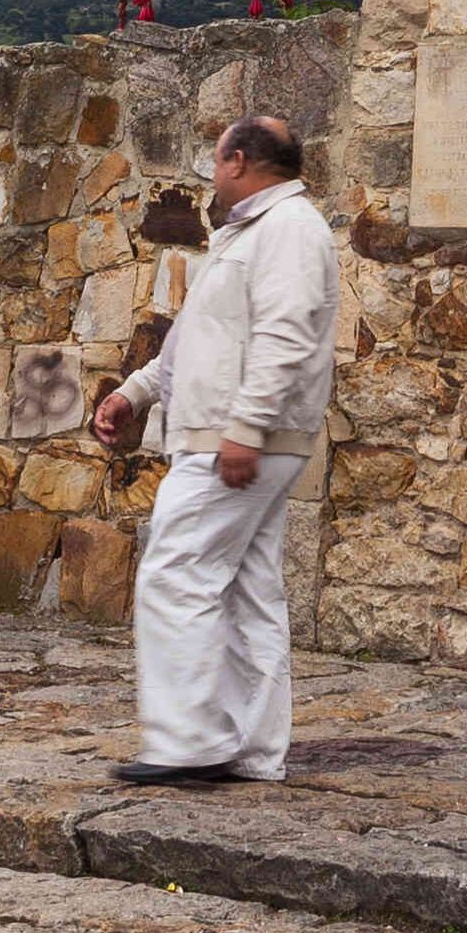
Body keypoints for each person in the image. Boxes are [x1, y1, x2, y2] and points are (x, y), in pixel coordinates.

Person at [98, 115, 344, 786]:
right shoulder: (250, 232)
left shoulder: (290, 231)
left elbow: (286, 337)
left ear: (236, 160)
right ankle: (253, 746)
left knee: (176, 572)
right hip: (234, 429)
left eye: (215, 160)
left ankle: (189, 739)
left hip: (235, 436)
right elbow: (196, 338)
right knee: (246, 590)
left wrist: (247, 426)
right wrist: (138, 390)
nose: (213, 173)